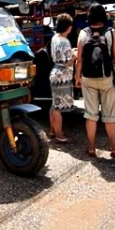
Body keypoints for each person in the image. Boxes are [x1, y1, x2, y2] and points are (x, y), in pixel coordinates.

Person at [76, 3, 115, 158]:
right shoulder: (111, 33)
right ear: (104, 16)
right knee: (109, 114)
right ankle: (113, 147)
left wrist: (77, 77)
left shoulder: (83, 33)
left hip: (87, 78)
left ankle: (92, 148)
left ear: (89, 16)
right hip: (106, 78)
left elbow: (80, 59)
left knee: (90, 114)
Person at [49, 13, 76, 143]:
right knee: (58, 107)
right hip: (62, 76)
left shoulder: (55, 37)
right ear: (69, 27)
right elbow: (67, 62)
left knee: (54, 105)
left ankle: (53, 131)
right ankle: (59, 135)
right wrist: (76, 56)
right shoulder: (65, 41)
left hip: (55, 72)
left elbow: (61, 55)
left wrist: (72, 52)